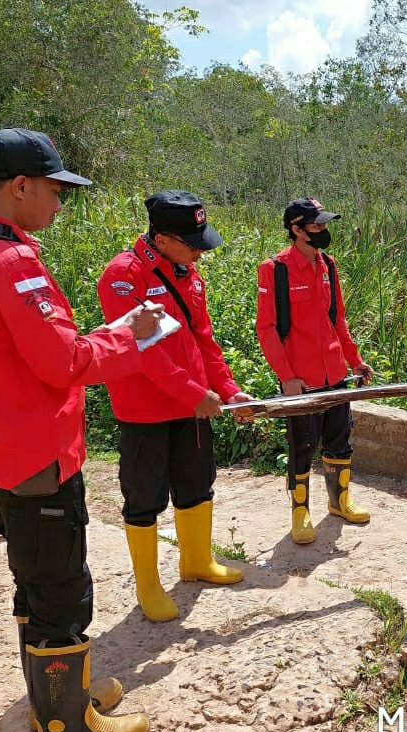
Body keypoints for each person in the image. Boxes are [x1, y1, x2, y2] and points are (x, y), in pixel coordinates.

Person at [0, 127, 159, 732]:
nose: (59, 204)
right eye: (54, 190)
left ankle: (62, 697)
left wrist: (95, 335)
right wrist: (133, 336)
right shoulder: (12, 262)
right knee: (62, 591)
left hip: (0, 448)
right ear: (20, 186)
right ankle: (67, 730)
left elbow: (19, 347)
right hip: (36, 455)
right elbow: (65, 363)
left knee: (34, 581)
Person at [97, 191, 255, 622]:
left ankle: (196, 561)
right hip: (146, 410)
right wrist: (194, 393)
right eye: (193, 243)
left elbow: (205, 342)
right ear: (162, 239)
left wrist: (228, 388)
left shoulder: (190, 276)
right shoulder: (122, 277)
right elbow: (144, 352)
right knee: (144, 496)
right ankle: (148, 586)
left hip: (195, 406)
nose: (201, 252)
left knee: (197, 483)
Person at [255, 198, 374, 544]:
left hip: (335, 372)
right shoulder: (275, 270)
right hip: (301, 379)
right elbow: (266, 329)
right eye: (317, 226)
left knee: (340, 439)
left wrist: (355, 361)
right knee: (302, 445)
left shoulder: (328, 266)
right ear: (296, 229)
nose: (324, 231)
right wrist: (287, 376)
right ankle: (300, 512)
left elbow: (337, 320)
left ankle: (340, 501)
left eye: (324, 225)